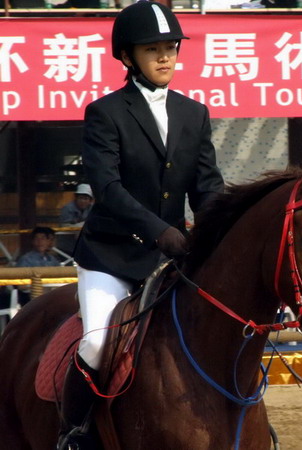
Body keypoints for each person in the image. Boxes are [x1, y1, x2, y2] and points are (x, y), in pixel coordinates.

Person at [58, 2, 225, 448]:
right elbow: (108, 188)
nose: (166, 57)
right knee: (96, 345)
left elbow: (208, 187)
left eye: (170, 47)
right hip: (111, 257)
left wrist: (219, 231)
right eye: (153, 49)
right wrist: (161, 230)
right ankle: (75, 433)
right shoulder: (106, 112)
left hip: (171, 258)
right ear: (128, 57)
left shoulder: (194, 114)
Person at [15, 226, 61, 306]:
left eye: (43, 238)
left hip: (51, 292)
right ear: (32, 241)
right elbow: (20, 286)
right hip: (30, 295)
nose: (40, 242)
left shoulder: (52, 259)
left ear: (48, 241)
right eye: (36, 238)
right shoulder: (26, 259)